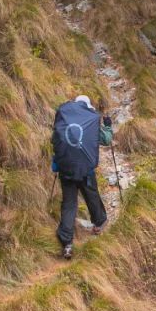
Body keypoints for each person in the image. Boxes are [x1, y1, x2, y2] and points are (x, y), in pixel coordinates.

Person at [52, 93, 113, 260]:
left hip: (66, 170)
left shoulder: (64, 119)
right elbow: (106, 140)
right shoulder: (91, 121)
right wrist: (107, 126)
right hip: (86, 171)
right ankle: (99, 223)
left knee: (69, 204)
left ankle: (67, 243)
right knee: (91, 195)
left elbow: (55, 141)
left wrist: (57, 163)